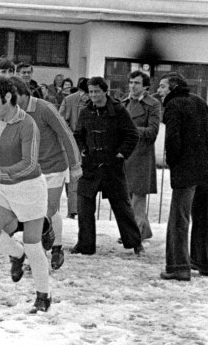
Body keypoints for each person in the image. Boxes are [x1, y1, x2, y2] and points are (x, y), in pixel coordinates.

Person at [0, 78, 51, 314]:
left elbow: (29, 164)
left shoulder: (28, 124)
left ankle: (43, 295)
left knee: (34, 244)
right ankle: (17, 254)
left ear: (8, 97)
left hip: (29, 188)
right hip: (4, 187)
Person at [12, 77, 81, 271]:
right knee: (32, 212)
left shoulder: (45, 108)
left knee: (48, 210)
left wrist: (75, 164)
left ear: (24, 94)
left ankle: (56, 247)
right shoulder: (12, 113)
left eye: (14, 97)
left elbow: (65, 134)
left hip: (54, 167)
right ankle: (40, 255)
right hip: (29, 169)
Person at [71, 76, 143, 256]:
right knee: (84, 206)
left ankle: (135, 243)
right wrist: (83, 151)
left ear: (105, 91)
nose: (93, 95)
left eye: (97, 91)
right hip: (90, 166)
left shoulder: (119, 110)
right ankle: (85, 245)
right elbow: (78, 134)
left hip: (112, 166)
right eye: (91, 92)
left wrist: (121, 154)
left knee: (122, 207)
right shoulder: (86, 111)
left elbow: (132, 135)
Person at [158, 73, 208, 281]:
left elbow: (172, 138)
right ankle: (201, 262)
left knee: (179, 218)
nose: (159, 90)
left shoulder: (173, 105)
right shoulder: (199, 101)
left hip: (186, 170)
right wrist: (200, 151)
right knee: (201, 217)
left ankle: (178, 266)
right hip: (204, 168)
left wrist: (174, 162)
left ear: (173, 88)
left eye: (163, 87)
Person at [122, 70, 161, 242]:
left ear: (145, 86)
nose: (132, 86)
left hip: (141, 155)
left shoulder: (152, 104)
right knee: (127, 195)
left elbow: (153, 131)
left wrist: (130, 131)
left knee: (137, 196)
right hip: (125, 154)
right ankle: (142, 230)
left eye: (136, 83)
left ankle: (135, 234)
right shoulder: (123, 102)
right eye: (131, 82)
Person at [58, 77, 88, 219]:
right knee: (74, 178)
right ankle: (74, 210)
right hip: (74, 144)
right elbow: (60, 122)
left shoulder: (70, 99)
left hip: (86, 145)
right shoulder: (70, 100)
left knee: (77, 178)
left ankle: (76, 209)